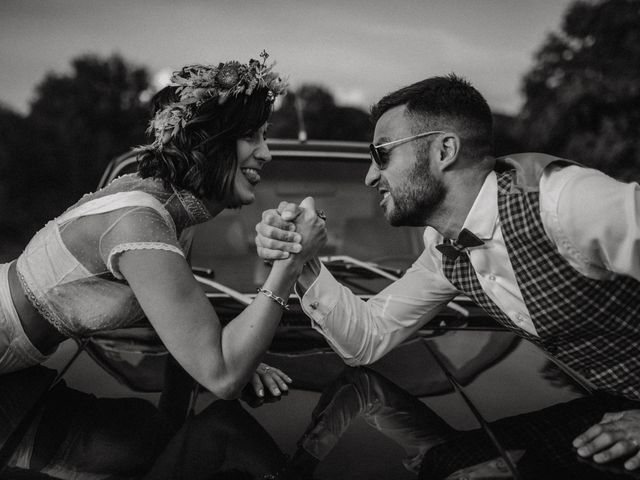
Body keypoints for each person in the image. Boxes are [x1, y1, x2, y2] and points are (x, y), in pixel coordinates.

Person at [254, 74, 640, 469]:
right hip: (601, 412)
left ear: (444, 151)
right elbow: (367, 339)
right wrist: (301, 261)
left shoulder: (565, 201)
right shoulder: (442, 247)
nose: (370, 176)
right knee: (442, 463)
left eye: (381, 154)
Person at [0, 51, 326, 401]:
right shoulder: (140, 222)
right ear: (209, 141)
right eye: (251, 136)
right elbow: (223, 375)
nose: (266, 153)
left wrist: (238, 349)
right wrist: (290, 261)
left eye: (264, 136)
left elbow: (188, 329)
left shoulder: (171, 209)